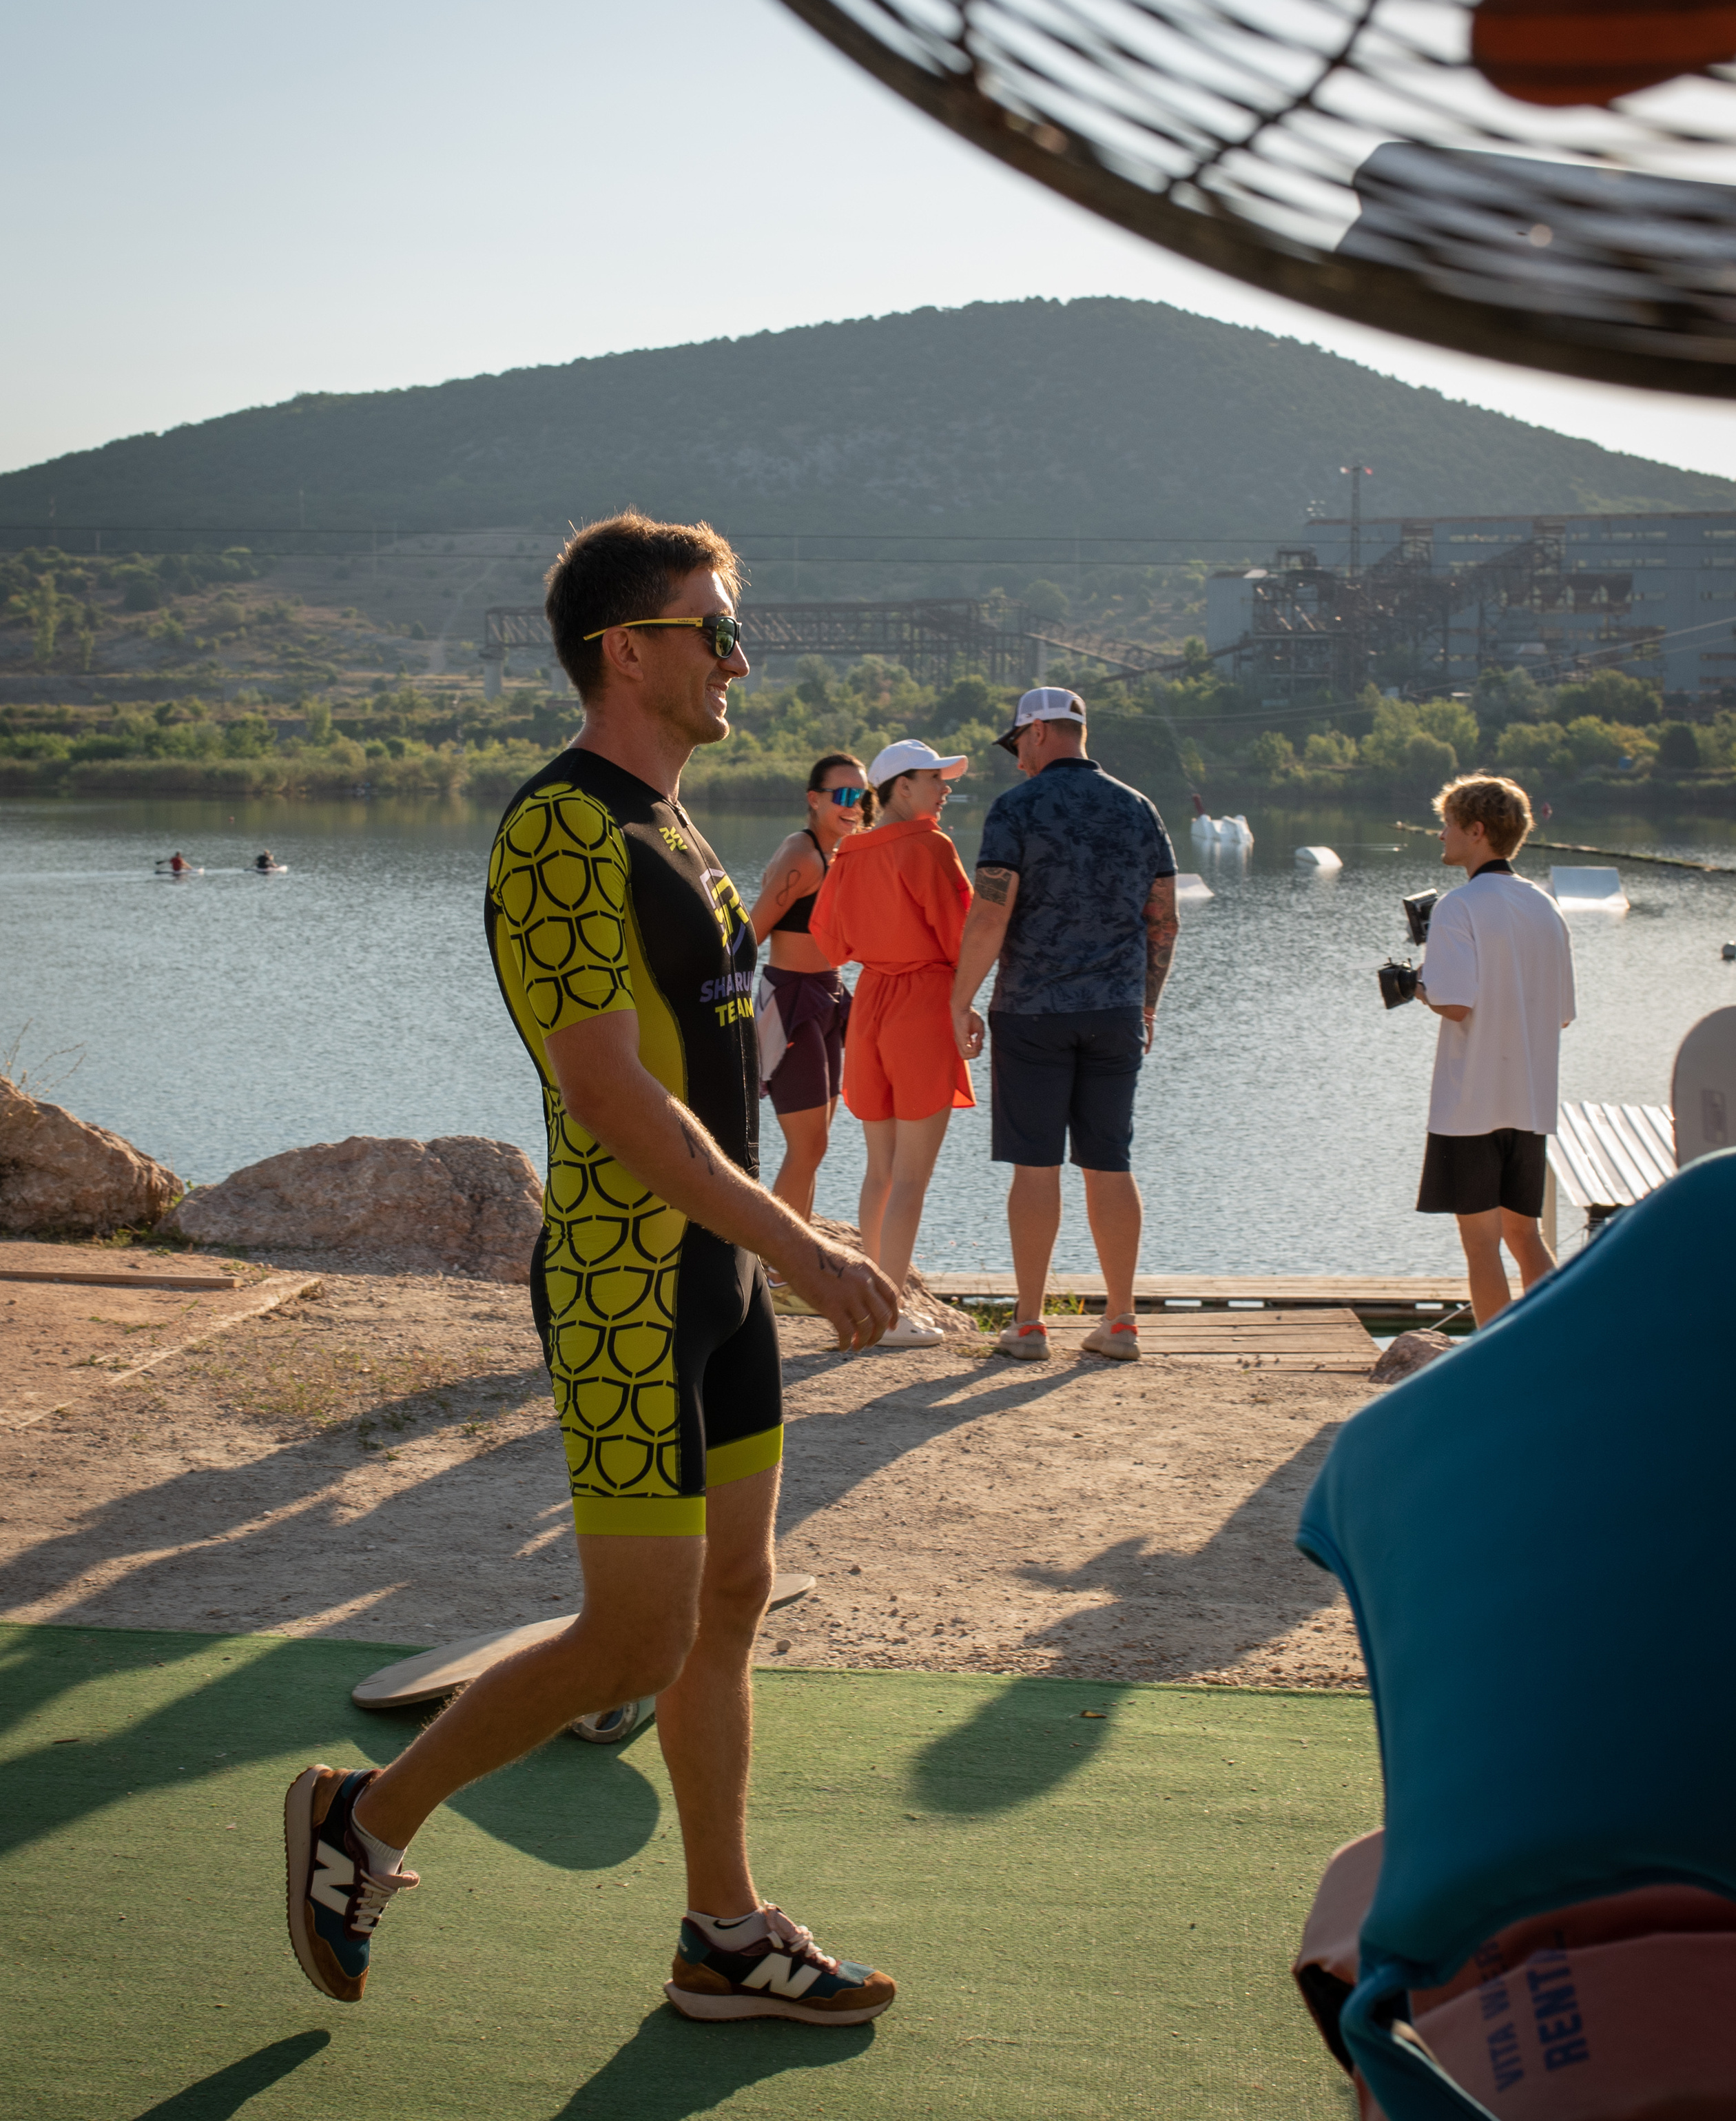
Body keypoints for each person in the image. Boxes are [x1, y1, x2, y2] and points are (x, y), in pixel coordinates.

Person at [284, 511, 899, 2027]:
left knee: (733, 1597)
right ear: (625, 650)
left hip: (722, 1283)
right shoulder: (561, 827)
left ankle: (721, 1931)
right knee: (633, 1634)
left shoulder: (677, 824)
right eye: (714, 629)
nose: (738, 657)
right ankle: (360, 1820)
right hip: (630, 1287)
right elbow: (611, 1096)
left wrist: (769, 1252)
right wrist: (807, 1240)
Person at [950, 688, 1178, 1363]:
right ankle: (1121, 1320)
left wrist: (958, 998)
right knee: (1110, 1161)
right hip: (1114, 1012)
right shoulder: (1139, 809)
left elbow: (991, 912)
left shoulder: (1016, 809)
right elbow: (1162, 918)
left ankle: (1027, 1324)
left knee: (1035, 1165)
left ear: (1044, 732)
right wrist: (1147, 1002)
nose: (1017, 756)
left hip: (1031, 1011)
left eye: (1018, 740)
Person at [809, 738, 974, 1347]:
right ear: (901, 787)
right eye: (936, 778)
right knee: (911, 1176)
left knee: (880, 1170)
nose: (945, 788)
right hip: (923, 1002)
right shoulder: (931, 845)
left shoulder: (850, 850)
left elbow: (829, 946)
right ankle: (893, 1314)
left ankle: (869, 1308)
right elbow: (962, 935)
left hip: (871, 1002)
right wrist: (967, 1000)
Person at [1415, 773, 1575, 1327]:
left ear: (1477, 830)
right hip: (1529, 1101)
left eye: (1449, 824)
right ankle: (1552, 1350)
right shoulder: (1546, 908)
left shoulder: (1458, 907)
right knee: (1525, 1236)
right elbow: (1561, 1012)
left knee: (1481, 1245)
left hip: (1470, 1104)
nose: (1441, 835)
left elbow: (1455, 1002)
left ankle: (1493, 1368)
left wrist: (1415, 984)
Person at [745, 754, 871, 1242]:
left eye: (861, 796)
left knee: (815, 1148)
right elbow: (749, 934)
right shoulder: (803, 855)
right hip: (792, 1002)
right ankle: (774, 1267)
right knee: (807, 1146)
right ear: (814, 799)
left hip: (829, 997)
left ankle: (792, 1265)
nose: (853, 805)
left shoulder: (838, 853)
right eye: (842, 795)